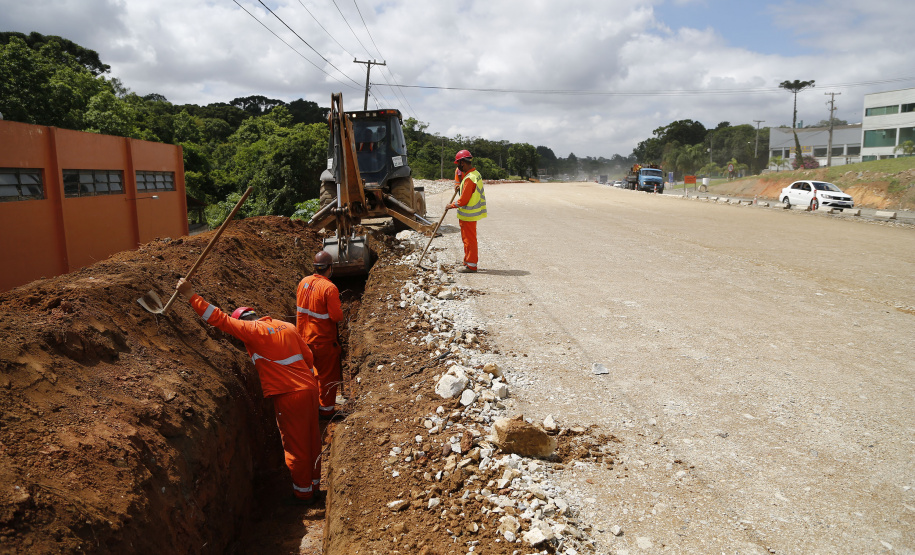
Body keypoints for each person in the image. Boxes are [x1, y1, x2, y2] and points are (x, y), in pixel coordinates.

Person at [175, 278, 322, 505]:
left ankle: (303, 495)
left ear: (242, 323)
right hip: (310, 389)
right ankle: (314, 486)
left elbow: (218, 319)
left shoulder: (252, 331)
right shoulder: (288, 327)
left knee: (295, 446)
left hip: (289, 395)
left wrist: (190, 295)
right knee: (312, 439)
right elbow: (309, 358)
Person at [296, 251, 345, 418]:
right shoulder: (329, 288)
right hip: (323, 341)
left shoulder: (303, 282)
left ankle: (310, 407)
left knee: (311, 375)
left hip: (303, 340)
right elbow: (336, 316)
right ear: (329, 268)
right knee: (327, 377)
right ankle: (326, 411)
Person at [447, 149, 487, 273]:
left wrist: (451, 205)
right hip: (469, 215)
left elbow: (463, 200)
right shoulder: (475, 174)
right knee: (468, 239)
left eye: (458, 164)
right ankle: (467, 261)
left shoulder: (470, 178)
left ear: (462, 163)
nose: (458, 167)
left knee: (469, 240)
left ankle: (471, 265)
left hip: (468, 214)